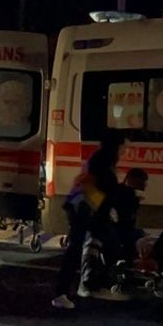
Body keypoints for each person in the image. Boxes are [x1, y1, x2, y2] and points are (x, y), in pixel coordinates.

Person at [52, 132, 126, 309]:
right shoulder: (102, 163)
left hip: (84, 209)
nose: (124, 150)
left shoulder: (100, 160)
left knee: (101, 244)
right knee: (77, 249)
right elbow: (100, 190)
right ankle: (64, 292)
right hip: (84, 210)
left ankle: (88, 285)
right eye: (123, 146)